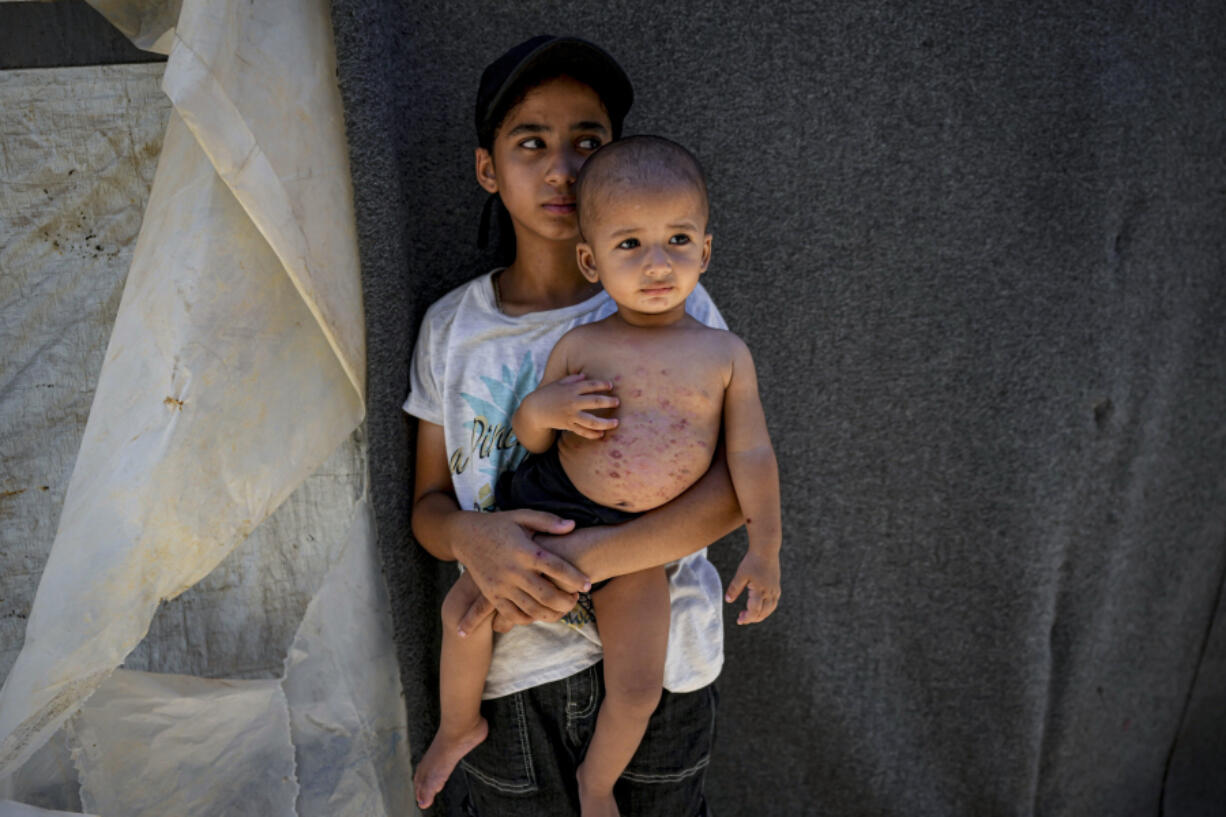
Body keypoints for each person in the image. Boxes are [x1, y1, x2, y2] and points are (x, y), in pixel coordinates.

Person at [405, 36, 747, 816]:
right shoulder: (451, 329)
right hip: (506, 676)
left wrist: (595, 553)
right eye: (532, 142)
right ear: (488, 169)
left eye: (587, 142)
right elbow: (427, 506)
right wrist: (470, 537)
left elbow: (736, 492)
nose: (562, 168)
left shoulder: (674, 307)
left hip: (661, 665)